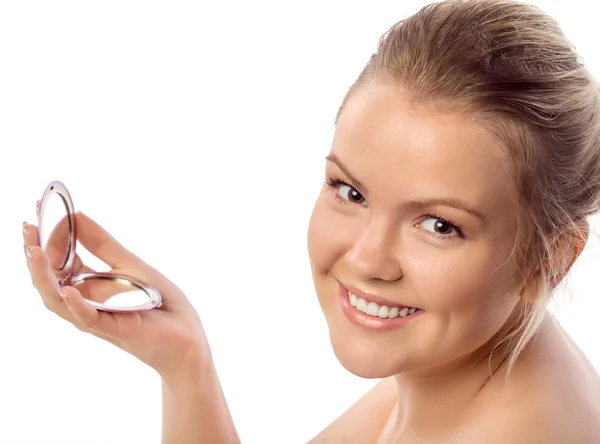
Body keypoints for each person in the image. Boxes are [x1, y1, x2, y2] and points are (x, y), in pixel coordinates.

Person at [22, 0, 600, 442]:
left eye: (439, 226)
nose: (367, 259)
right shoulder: (461, 359)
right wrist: (183, 360)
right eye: (349, 190)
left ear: (549, 258)